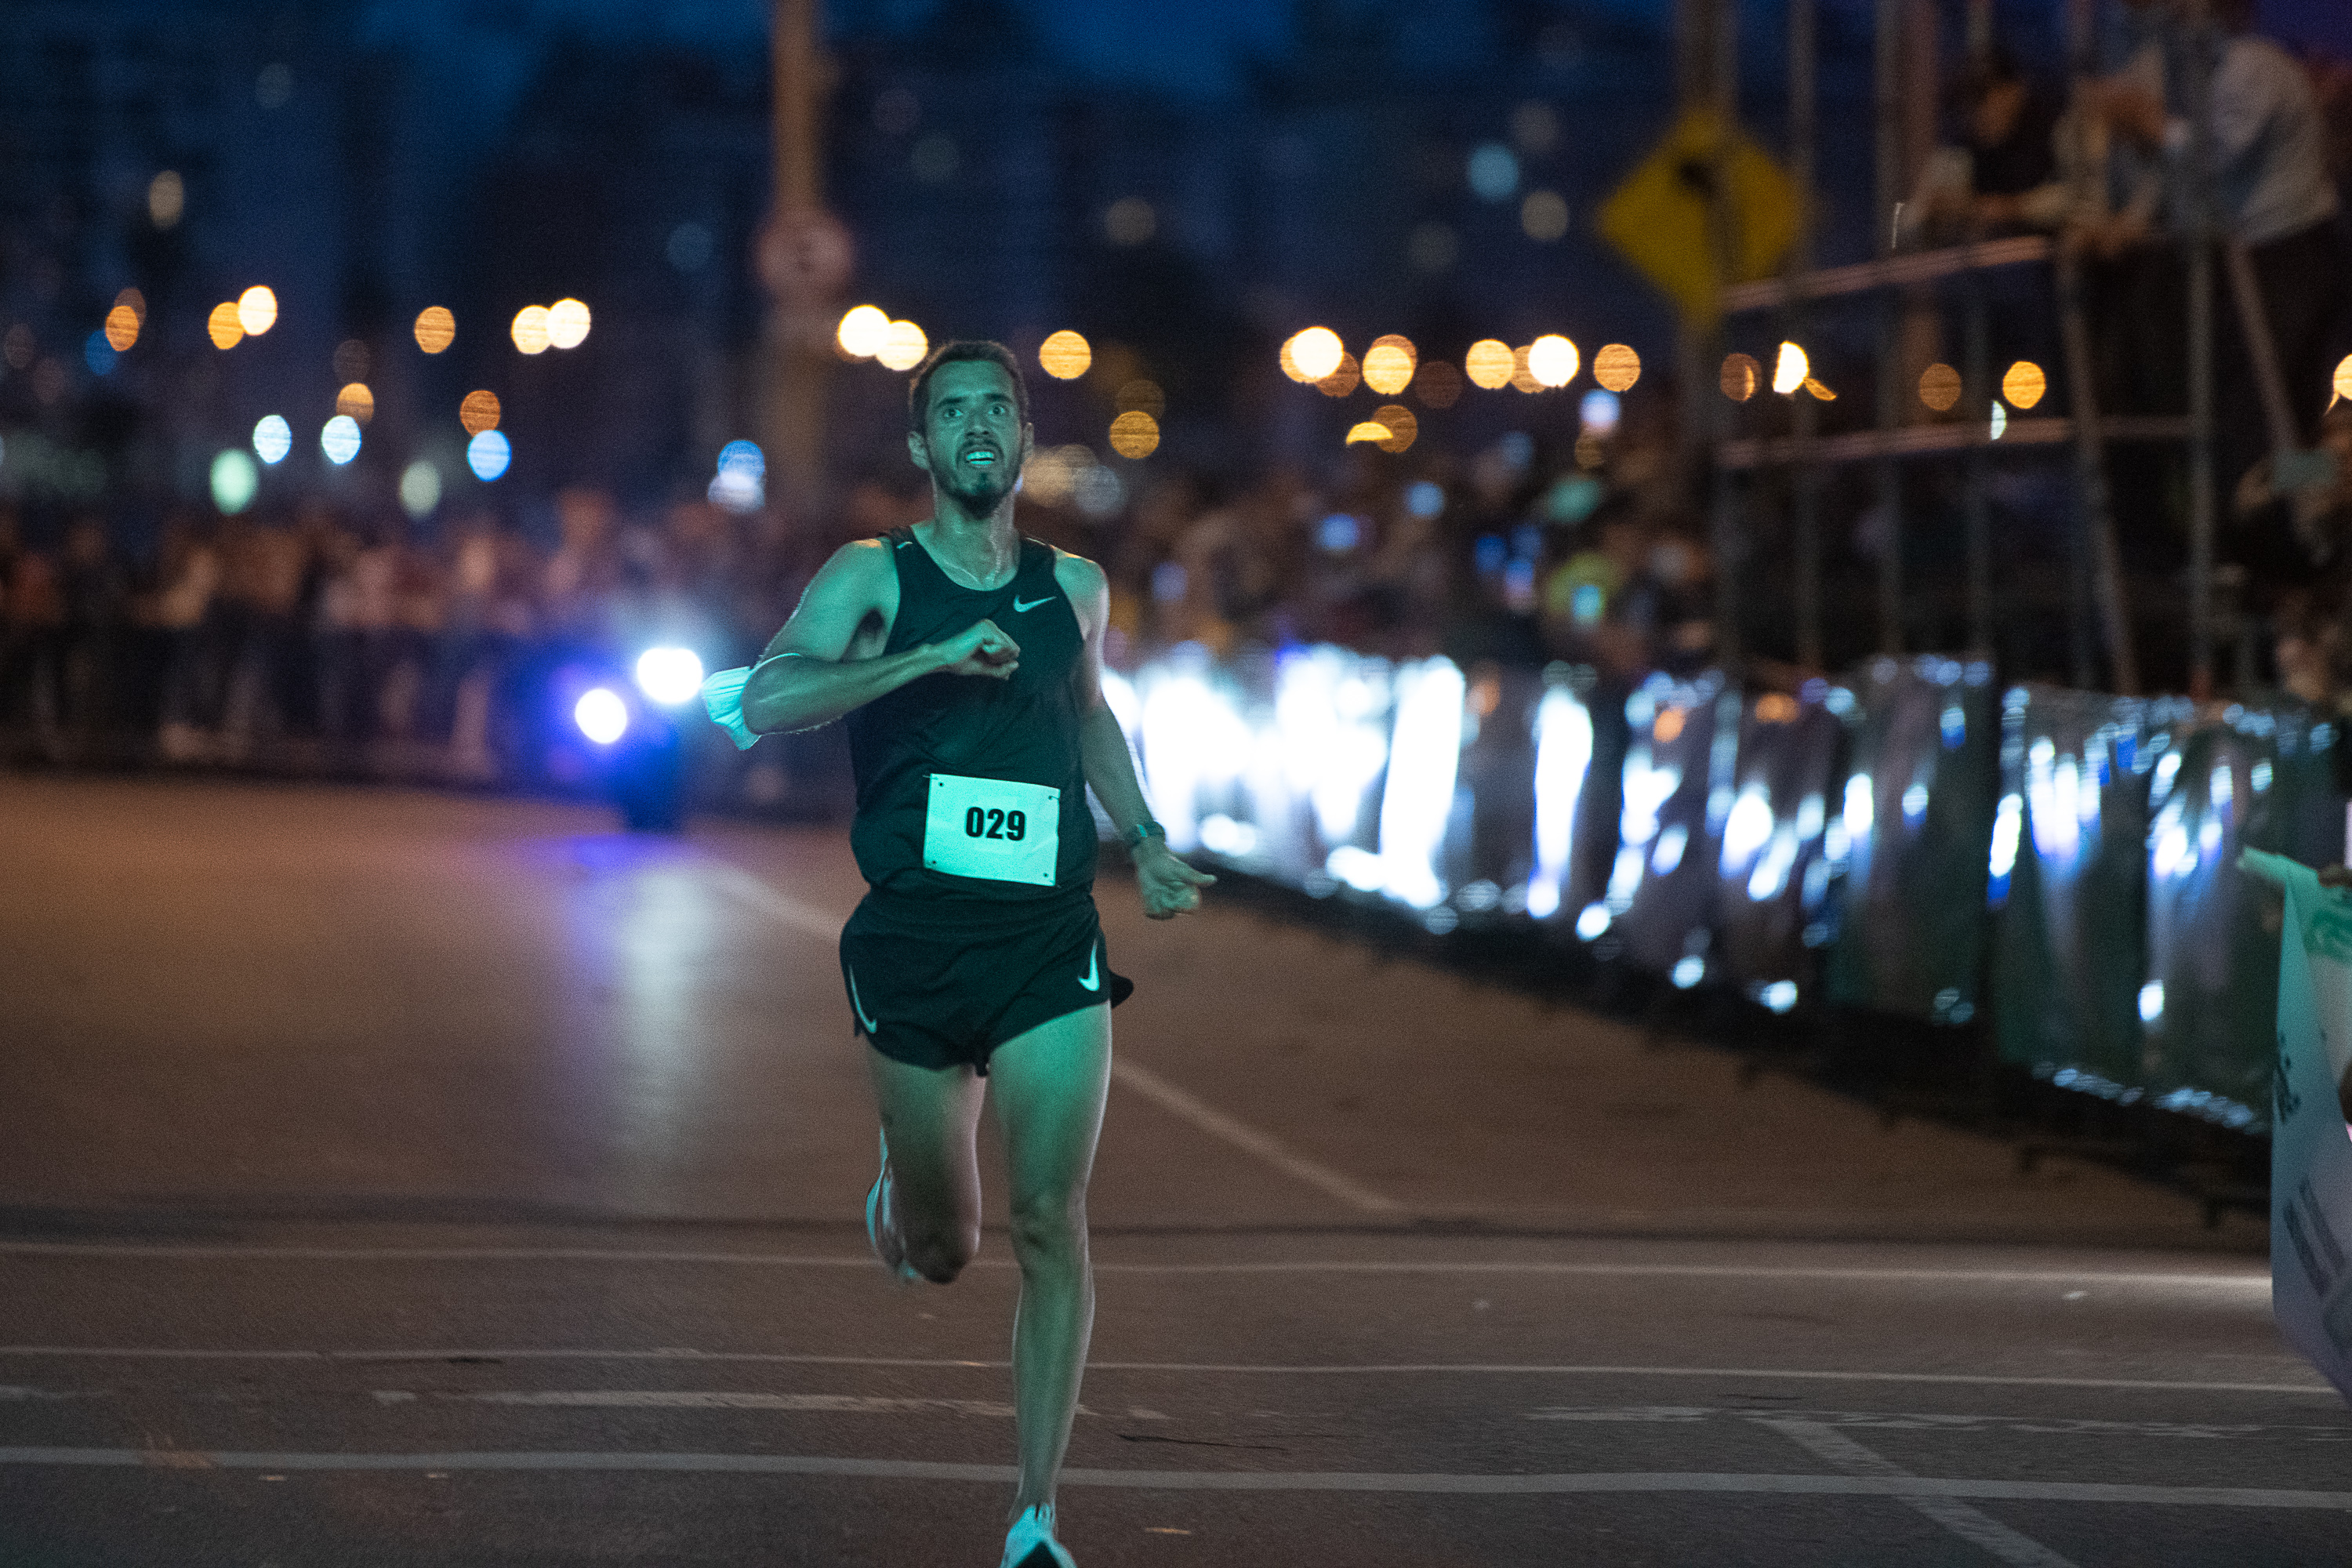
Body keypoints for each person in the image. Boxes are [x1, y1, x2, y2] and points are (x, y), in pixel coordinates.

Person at [724, 340, 1213, 1568]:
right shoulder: (873, 575)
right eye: (956, 412)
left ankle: (1037, 1514)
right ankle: (905, 1186)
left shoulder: (1075, 588)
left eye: (1000, 407)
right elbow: (767, 697)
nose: (980, 426)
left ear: (1024, 433)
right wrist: (929, 656)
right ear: (923, 448)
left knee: (1054, 1219)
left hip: (1048, 938)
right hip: (915, 943)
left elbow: (1089, 711)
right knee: (947, 1253)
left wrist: (1145, 838)